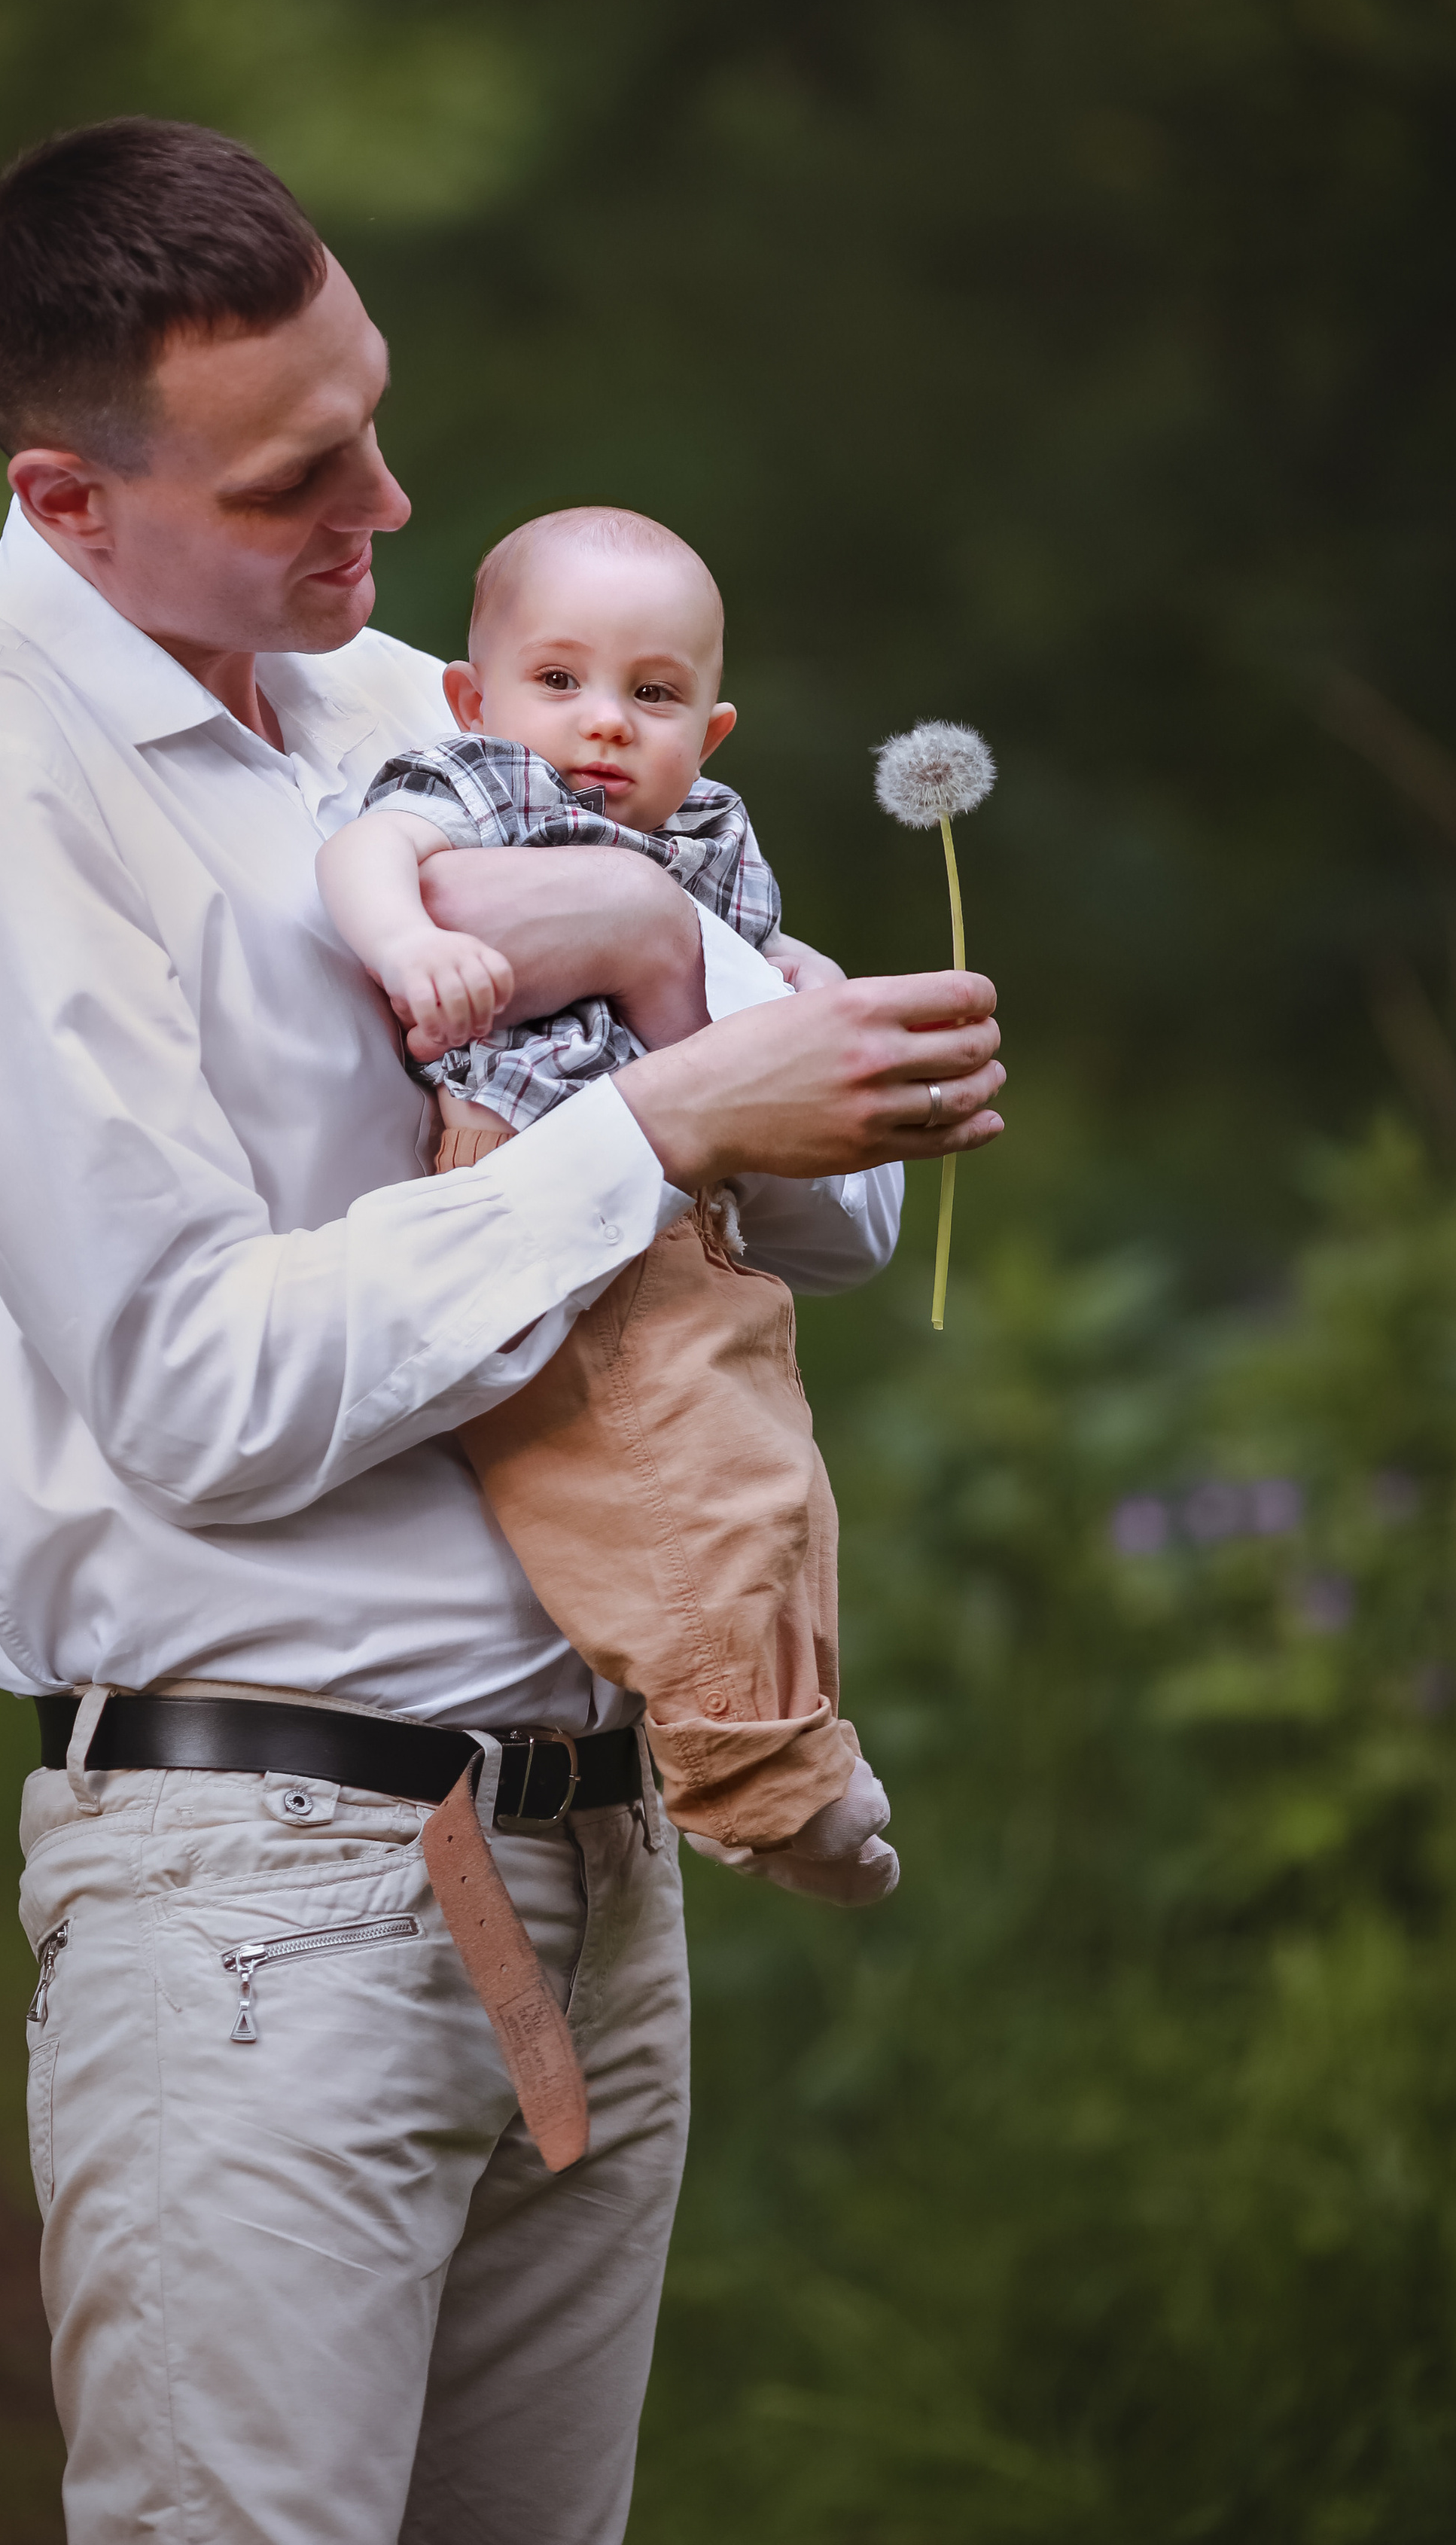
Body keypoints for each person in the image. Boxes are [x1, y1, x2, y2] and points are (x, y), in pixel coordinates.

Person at [0, 116, 1005, 2545]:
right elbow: (205, 1390)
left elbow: (831, 1214)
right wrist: (663, 1108)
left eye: (372, 411)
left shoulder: (390, 711)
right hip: (266, 1895)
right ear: (66, 502)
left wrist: (690, 988)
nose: (387, 496)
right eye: (296, 474)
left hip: (594, 1843)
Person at [317, 501, 894, 1901]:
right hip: (533, 1186)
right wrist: (405, 940)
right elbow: (362, 854)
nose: (604, 727)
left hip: (682, 1207)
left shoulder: (705, 834)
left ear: (714, 729)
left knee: (768, 1470)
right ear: (474, 697)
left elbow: (747, 957)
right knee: (647, 1473)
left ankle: (790, 1729)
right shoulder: (483, 788)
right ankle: (759, 1782)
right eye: (559, 682)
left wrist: (805, 987)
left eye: (654, 696)